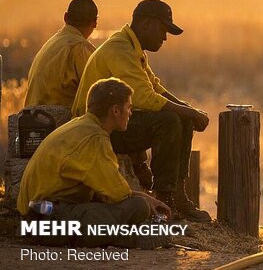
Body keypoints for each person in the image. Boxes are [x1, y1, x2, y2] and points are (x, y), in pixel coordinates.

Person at [72, 0, 211, 222]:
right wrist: (190, 113)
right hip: (96, 132)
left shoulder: (132, 47)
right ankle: (164, 195)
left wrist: (188, 111)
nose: (165, 38)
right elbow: (144, 98)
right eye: (163, 30)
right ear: (146, 24)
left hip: (114, 123)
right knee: (169, 121)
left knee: (181, 117)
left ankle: (177, 193)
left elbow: (153, 86)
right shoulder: (120, 49)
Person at [18, 77, 171, 248]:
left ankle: (120, 236)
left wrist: (147, 198)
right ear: (115, 111)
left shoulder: (81, 125)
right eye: (129, 107)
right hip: (49, 218)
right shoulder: (95, 138)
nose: (131, 112)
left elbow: (106, 192)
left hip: (38, 215)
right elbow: (117, 195)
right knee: (138, 206)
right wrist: (148, 201)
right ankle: (129, 239)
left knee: (131, 205)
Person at [24, 0, 98, 108]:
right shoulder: (81, 48)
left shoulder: (51, 43)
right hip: (57, 122)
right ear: (95, 23)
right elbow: (100, 94)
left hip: (31, 119)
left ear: (65, 17)